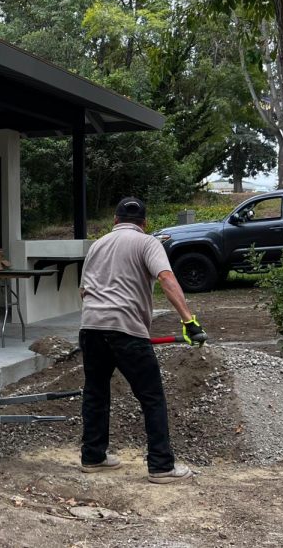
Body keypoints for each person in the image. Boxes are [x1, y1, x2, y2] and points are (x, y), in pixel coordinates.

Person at [77, 196, 206, 484]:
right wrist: (189, 321)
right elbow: (165, 278)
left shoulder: (97, 245)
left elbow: (84, 291)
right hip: (126, 330)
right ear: (144, 223)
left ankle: (93, 456)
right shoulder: (148, 243)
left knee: (95, 393)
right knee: (151, 397)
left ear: (115, 220)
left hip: (91, 328)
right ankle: (161, 466)